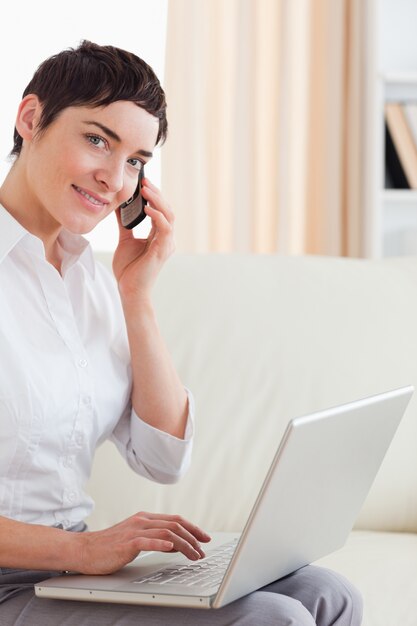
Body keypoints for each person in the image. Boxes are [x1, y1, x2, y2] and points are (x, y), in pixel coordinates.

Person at [0, 40, 363, 625]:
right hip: (16, 582)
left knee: (326, 593)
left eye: (137, 160)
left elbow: (162, 458)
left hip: (71, 570)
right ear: (31, 118)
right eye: (98, 139)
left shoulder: (89, 281)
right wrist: (82, 550)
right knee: (274, 619)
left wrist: (137, 299)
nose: (115, 179)